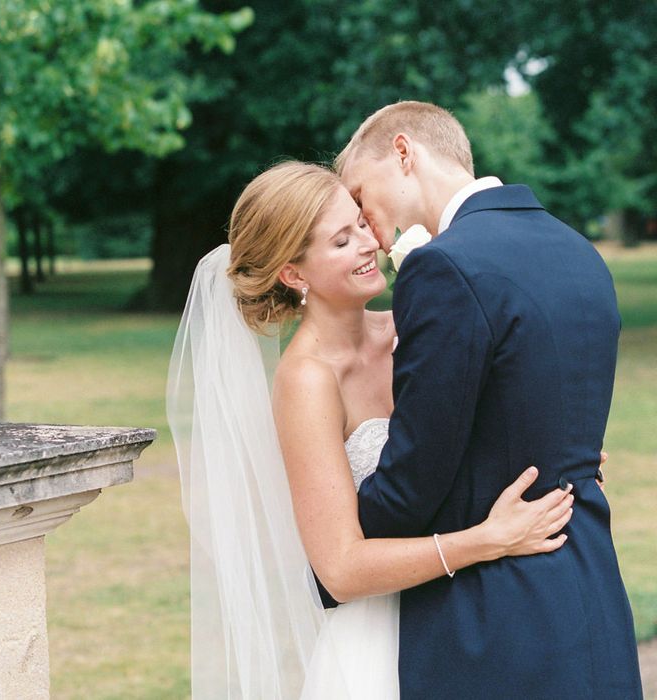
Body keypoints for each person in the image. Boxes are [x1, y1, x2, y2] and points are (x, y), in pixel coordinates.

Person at [168, 160, 582, 699]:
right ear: (294, 274)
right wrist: (486, 541)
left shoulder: (417, 328)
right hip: (379, 643)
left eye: (361, 224)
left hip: (475, 618)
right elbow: (339, 567)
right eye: (341, 241)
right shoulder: (307, 381)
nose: (367, 244)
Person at [336, 100, 642, 698]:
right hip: (591, 594)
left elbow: (413, 481)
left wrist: (330, 557)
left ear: (404, 153)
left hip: (492, 621)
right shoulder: (579, 250)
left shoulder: (445, 268)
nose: (367, 223)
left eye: (361, 194)